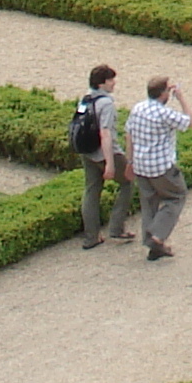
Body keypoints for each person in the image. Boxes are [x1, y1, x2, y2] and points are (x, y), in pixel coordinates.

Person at [124, 73, 192, 261]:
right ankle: (157, 236)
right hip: (161, 168)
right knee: (176, 197)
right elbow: (190, 122)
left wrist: (129, 162)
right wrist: (181, 98)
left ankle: (153, 246)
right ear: (163, 93)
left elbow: (129, 135)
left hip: (140, 166)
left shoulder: (137, 108)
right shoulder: (164, 113)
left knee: (149, 204)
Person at [73, 62, 133, 250]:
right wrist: (109, 163)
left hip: (87, 151)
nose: (114, 83)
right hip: (106, 153)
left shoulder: (85, 99)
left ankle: (91, 236)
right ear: (101, 83)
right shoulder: (106, 103)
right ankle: (116, 227)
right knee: (128, 182)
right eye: (110, 80)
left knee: (91, 190)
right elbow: (105, 133)